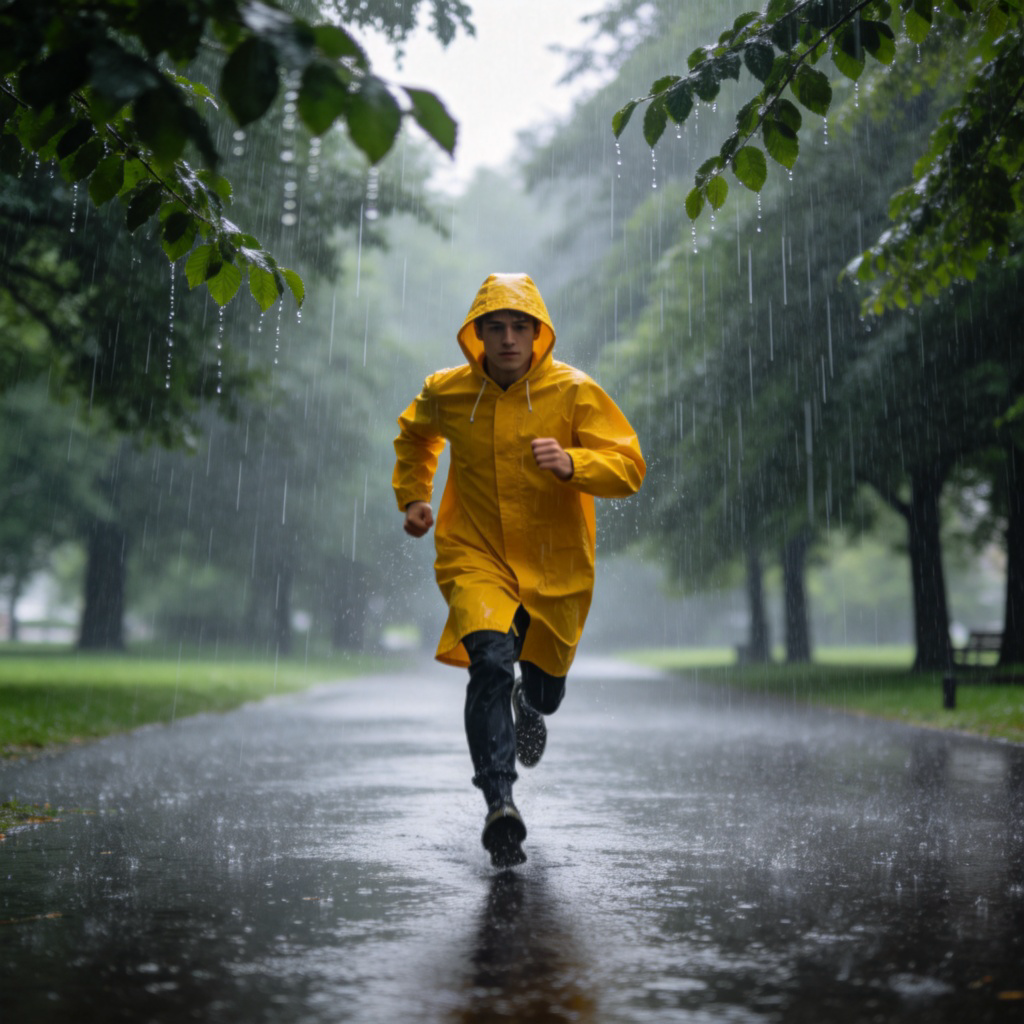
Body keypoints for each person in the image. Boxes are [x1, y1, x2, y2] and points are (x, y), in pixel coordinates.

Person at [393, 272, 646, 868]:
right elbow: (415, 437)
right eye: (496, 328)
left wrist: (573, 462)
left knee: (543, 691)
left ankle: (530, 706)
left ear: (538, 334)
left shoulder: (574, 392)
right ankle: (499, 802)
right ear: (476, 335)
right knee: (487, 662)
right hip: (473, 554)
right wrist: (414, 496)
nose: (508, 339)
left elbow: (629, 467)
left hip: (555, 567)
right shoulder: (446, 391)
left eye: (519, 328)